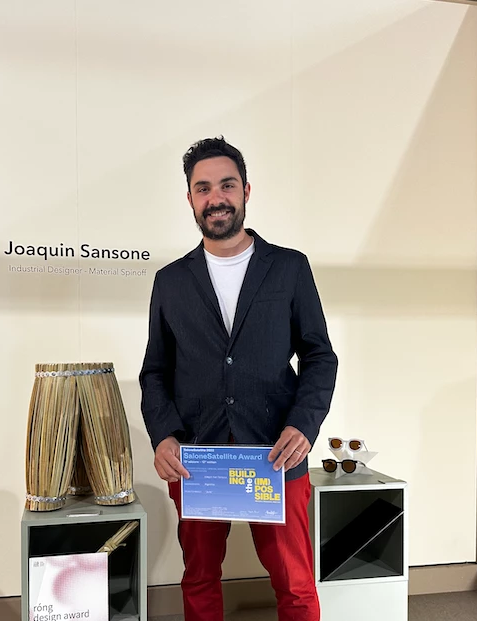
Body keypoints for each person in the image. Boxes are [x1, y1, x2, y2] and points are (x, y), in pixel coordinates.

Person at [139, 136, 338, 621]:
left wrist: (303, 426)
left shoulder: (289, 267)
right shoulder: (170, 281)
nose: (216, 198)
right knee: (200, 578)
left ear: (246, 190)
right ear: (190, 198)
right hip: (197, 455)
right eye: (203, 188)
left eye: (226, 185)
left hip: (274, 451)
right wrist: (163, 435)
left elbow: (319, 356)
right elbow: (155, 371)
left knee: (295, 582)